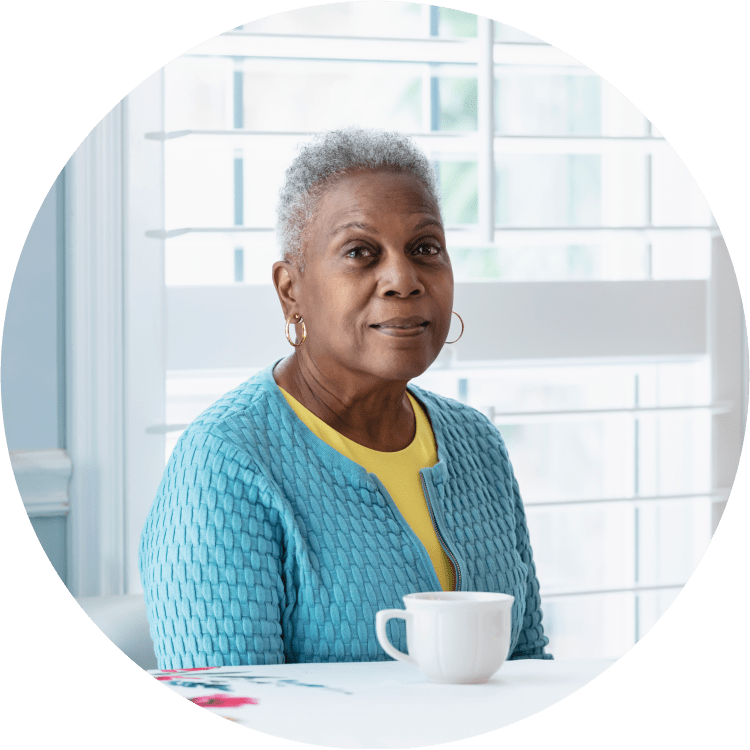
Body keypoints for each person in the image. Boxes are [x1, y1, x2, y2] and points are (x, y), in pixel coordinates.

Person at [139, 127, 552, 668]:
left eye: (425, 248)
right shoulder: (224, 464)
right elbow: (233, 710)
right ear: (291, 290)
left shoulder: (476, 443)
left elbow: (524, 663)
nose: (403, 279)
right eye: (360, 252)